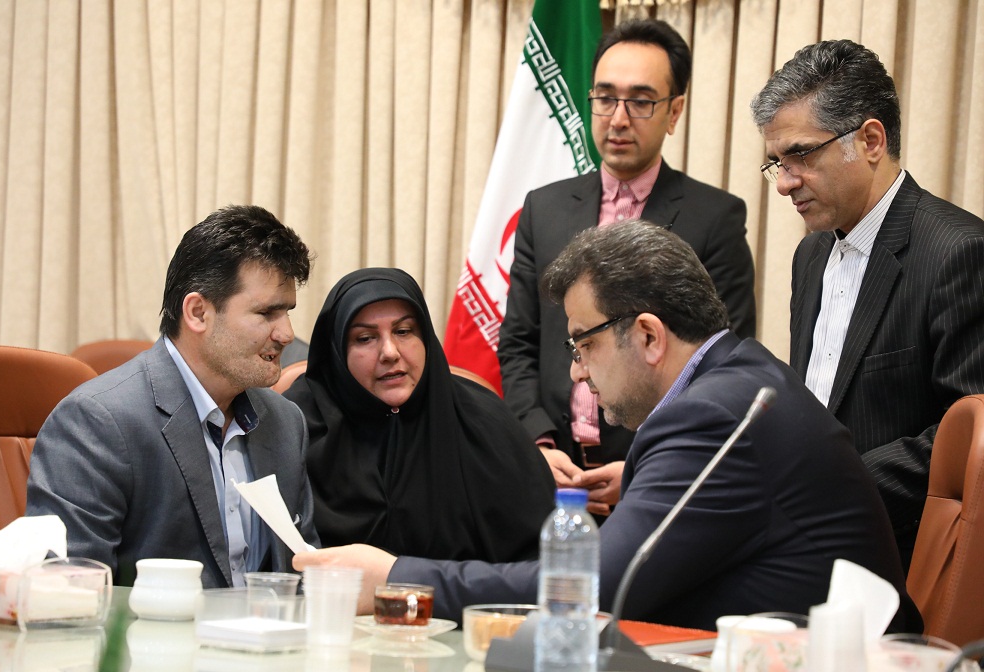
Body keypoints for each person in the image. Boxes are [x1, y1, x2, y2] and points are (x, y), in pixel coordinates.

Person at [293, 222, 921, 633]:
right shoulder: (738, 380)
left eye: (583, 344)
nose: (576, 371)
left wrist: (398, 576)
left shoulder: (714, 418)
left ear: (647, 336)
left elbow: (592, 590)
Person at [498, 19, 756, 516]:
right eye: (605, 97)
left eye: (640, 101)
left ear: (674, 111)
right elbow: (518, 343)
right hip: (553, 473)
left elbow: (722, 363)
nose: (618, 118)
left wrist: (646, 461)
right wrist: (538, 442)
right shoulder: (542, 209)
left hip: (658, 476)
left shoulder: (715, 219)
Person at [751, 39, 984, 568]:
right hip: (807, 549)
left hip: (903, 560)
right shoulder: (811, 254)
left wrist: (832, 489)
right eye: (777, 162)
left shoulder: (959, 252)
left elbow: (967, 441)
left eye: (801, 155)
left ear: (871, 140)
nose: (784, 183)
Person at [26, 205, 320, 588]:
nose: (286, 334)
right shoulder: (98, 422)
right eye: (267, 313)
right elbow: (67, 594)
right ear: (198, 313)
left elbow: (303, 576)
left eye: (288, 312)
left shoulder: (285, 423)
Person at [283, 268, 554, 563]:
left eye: (403, 331)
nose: (390, 352)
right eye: (365, 338)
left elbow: (539, 564)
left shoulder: (485, 422)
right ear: (337, 351)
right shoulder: (295, 424)